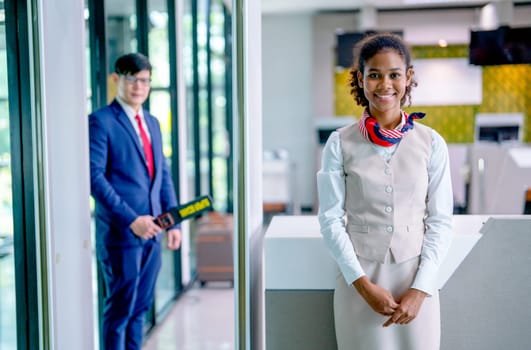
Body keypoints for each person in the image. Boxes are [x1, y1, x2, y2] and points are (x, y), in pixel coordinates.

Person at [317, 33, 453, 350]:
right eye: (374, 75)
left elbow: (441, 220)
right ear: (361, 80)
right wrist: (363, 286)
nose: (384, 85)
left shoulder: (432, 143)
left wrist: (420, 290)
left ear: (407, 78)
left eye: (394, 74)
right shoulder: (339, 142)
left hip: (416, 278)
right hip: (359, 278)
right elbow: (330, 220)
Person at [89, 52, 181, 350]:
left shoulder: (152, 122)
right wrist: (132, 219)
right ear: (117, 80)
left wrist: (173, 221)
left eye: (145, 80)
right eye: (132, 79)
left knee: (140, 310)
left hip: (153, 231)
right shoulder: (100, 122)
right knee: (119, 313)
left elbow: (162, 174)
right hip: (121, 234)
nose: (139, 86)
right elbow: (94, 178)